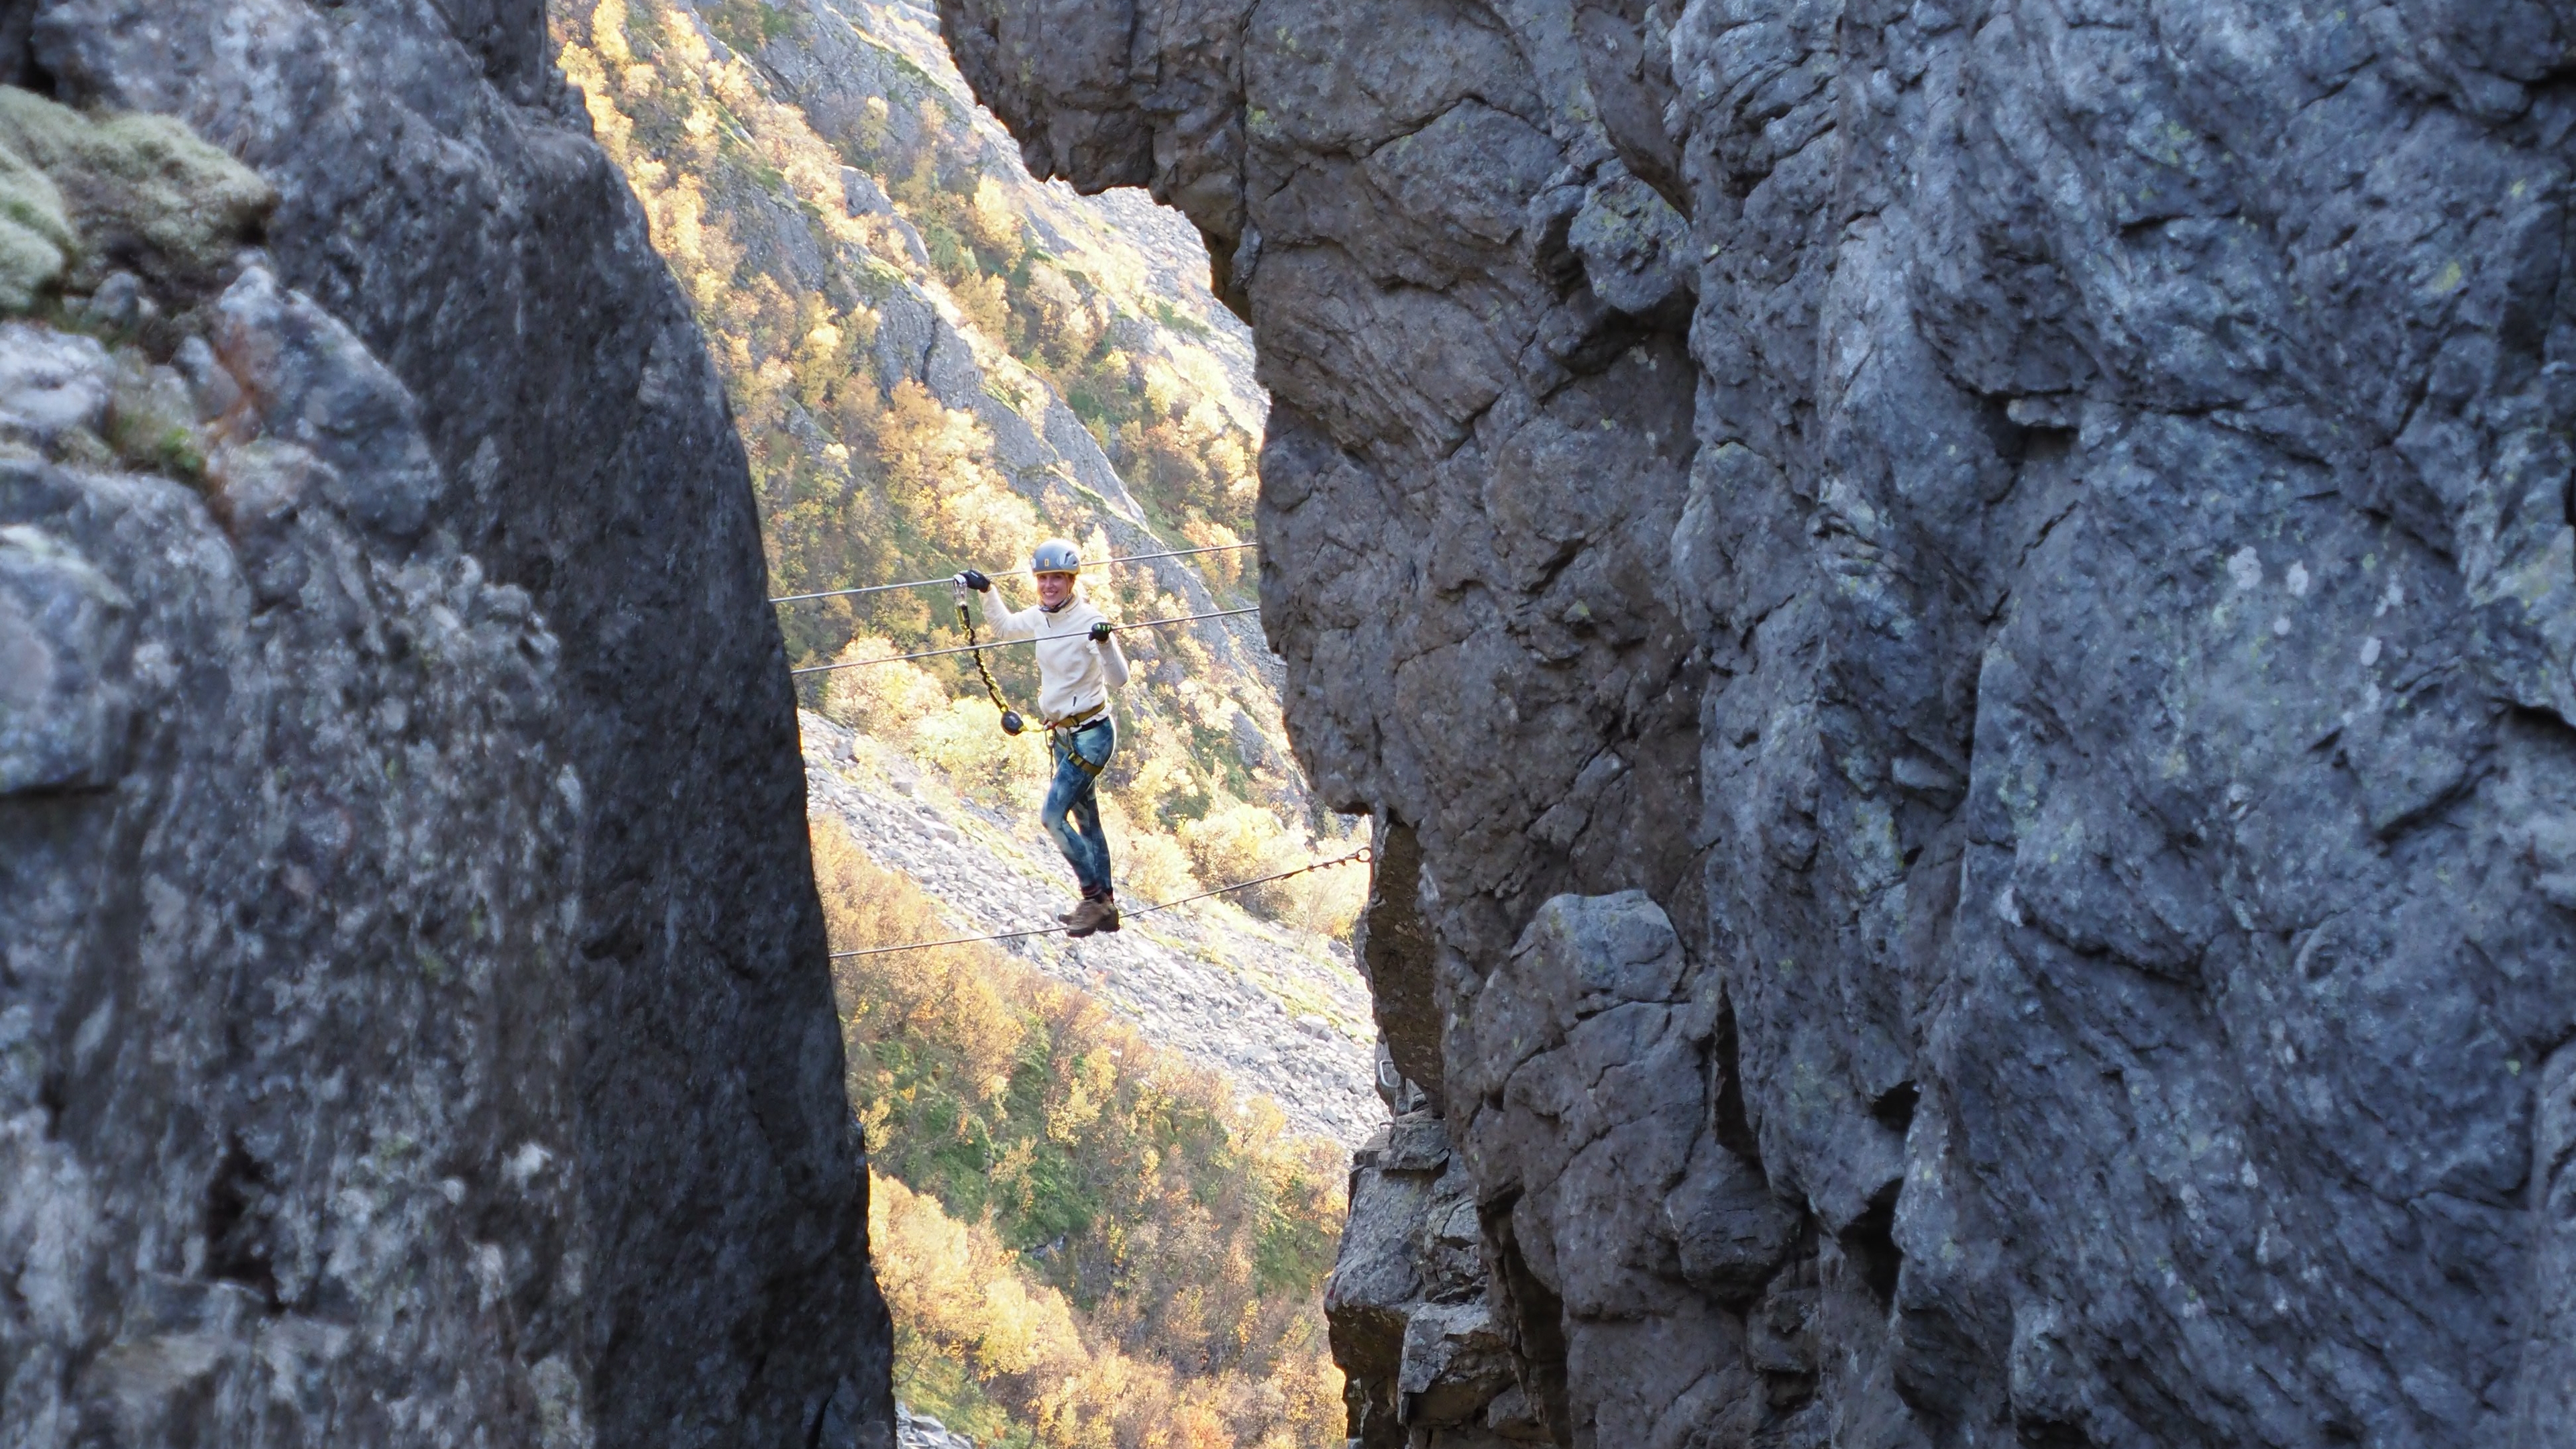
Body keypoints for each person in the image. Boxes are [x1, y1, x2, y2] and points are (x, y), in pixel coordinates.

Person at [957, 538, 1130, 936]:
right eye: (1043, 579)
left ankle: (1092, 898)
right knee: (1088, 821)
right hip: (1066, 735)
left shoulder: (1090, 619)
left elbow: (1118, 680)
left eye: (1057, 578)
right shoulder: (1040, 617)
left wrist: (1104, 643)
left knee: (1052, 816)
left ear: (1071, 581)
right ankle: (1106, 905)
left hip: (1093, 735)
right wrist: (987, 590)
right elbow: (1003, 627)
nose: (1049, 585)